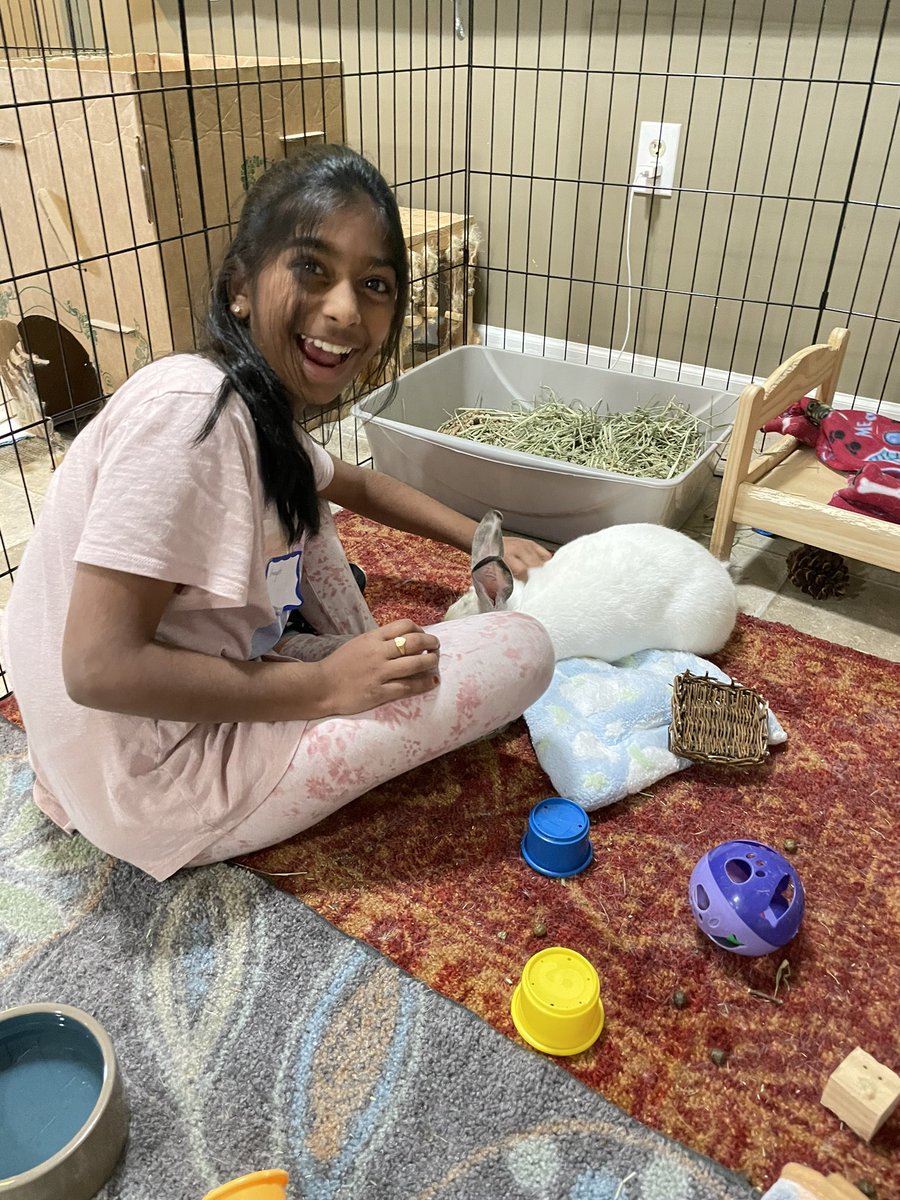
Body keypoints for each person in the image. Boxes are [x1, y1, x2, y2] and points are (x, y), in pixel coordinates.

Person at [2, 144, 555, 882]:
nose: (345, 309)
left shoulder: (244, 405)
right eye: (311, 268)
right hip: (149, 777)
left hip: (87, 751)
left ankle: (361, 664)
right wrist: (326, 688)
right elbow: (97, 667)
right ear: (240, 285)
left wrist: (485, 536)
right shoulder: (189, 413)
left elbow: (358, 486)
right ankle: (353, 676)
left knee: (310, 496)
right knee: (526, 652)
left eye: (375, 283)